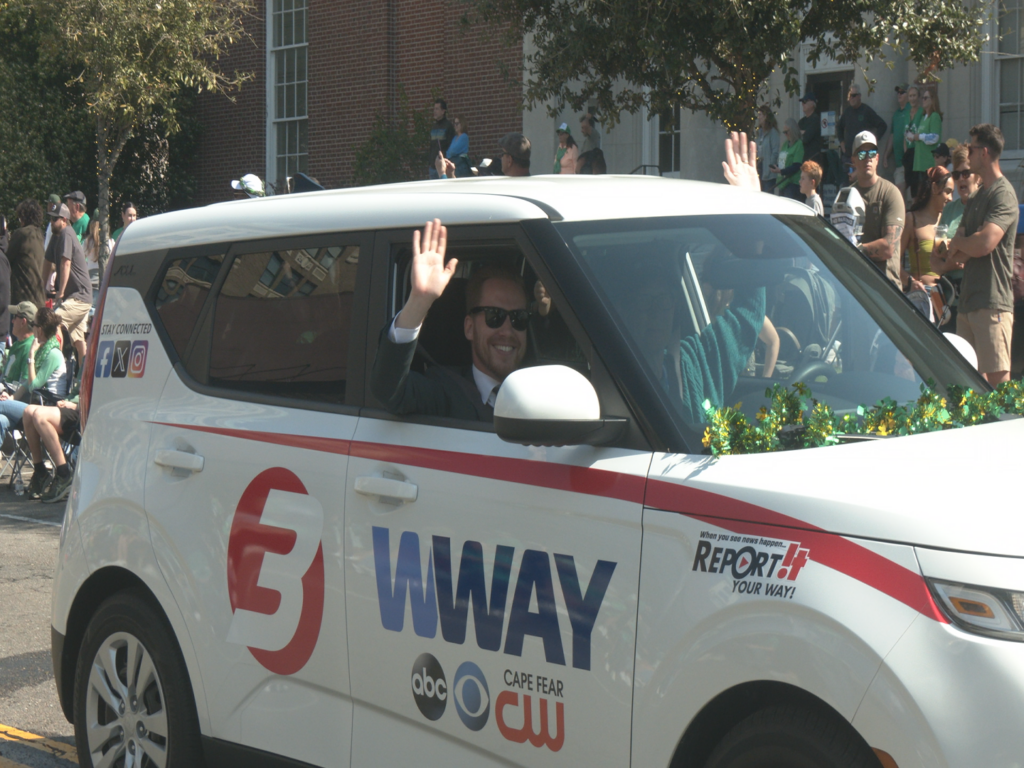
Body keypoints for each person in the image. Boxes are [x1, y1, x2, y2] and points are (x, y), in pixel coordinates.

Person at [371, 219, 528, 421]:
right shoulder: (445, 390)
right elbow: (389, 390)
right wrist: (419, 301)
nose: (507, 330)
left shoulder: (545, 389)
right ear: (469, 327)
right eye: (494, 316)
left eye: (518, 318)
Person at [941, 124, 1019, 385]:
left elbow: (985, 243)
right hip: (967, 303)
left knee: (999, 385)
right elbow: (958, 252)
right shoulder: (976, 198)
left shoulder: (1003, 194)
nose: (968, 153)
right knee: (968, 385)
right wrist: (964, 244)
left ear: (984, 153)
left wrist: (963, 242)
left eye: (972, 149)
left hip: (992, 303)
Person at [0, 306, 66, 443]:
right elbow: (26, 384)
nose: (32, 327)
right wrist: (11, 398)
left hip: (46, 409)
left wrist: (31, 356)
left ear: (39, 330)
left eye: (33, 324)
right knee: (1, 420)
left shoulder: (53, 354)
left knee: (1, 405)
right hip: (34, 405)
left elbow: (33, 386)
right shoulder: (43, 350)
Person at [850, 131, 906, 288]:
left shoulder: (890, 193)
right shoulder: (846, 195)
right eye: (862, 154)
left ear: (877, 158)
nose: (868, 158)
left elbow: (888, 247)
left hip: (885, 289)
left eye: (872, 153)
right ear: (853, 160)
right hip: (855, 286)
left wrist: (853, 250)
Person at [43, 202, 93, 363]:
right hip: (78, 296)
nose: (51, 222)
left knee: (54, 322)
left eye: (55, 219)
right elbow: (47, 262)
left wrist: (61, 293)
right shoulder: (56, 235)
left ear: (64, 220)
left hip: (79, 296)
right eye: (50, 219)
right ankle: (83, 375)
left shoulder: (66, 233)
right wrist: (41, 288)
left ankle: (55, 366)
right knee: (78, 341)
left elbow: (66, 263)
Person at [21, 385, 79, 502]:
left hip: (84, 413)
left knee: (40, 416)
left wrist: (75, 406)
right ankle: (40, 471)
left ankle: (63, 474)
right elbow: (75, 393)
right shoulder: (82, 373)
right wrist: (65, 401)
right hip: (70, 409)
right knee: (28, 411)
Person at [900, 165, 953, 291]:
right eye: (947, 192)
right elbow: (894, 261)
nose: (950, 198)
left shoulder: (950, 219)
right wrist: (910, 282)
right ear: (934, 188)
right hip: (923, 294)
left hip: (948, 294)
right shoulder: (912, 219)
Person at [5, 201, 45, 311]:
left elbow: (6, 260)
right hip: (39, 298)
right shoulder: (39, 235)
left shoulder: (21, 234)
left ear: (23, 217)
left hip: (22, 300)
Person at [837, 83, 887, 165]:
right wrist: (842, 143)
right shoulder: (847, 112)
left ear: (859, 96)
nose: (851, 98)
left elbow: (882, 125)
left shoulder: (866, 110)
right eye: (850, 96)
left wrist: (873, 141)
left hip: (863, 156)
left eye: (854, 95)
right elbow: (839, 127)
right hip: (848, 156)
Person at [908, 87, 942, 183]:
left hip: (928, 162)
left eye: (926, 98)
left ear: (932, 100)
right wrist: (913, 137)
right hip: (919, 162)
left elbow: (935, 137)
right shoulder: (924, 117)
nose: (923, 100)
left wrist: (919, 136)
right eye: (922, 98)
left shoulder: (934, 116)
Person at [883, 84, 911, 196]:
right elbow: (892, 135)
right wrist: (886, 155)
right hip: (899, 163)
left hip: (911, 162)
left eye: (902, 92)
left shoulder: (912, 111)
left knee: (911, 196)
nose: (899, 94)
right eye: (898, 92)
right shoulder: (896, 114)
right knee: (899, 193)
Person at [3, 302, 38, 391]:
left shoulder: (29, 347)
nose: (12, 321)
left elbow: (24, 386)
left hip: (11, 395)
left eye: (15, 317)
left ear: (23, 322)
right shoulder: (17, 344)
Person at [770, 118, 804, 201]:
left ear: (793, 131)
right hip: (782, 182)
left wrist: (781, 171)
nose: (785, 134)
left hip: (792, 183)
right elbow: (783, 162)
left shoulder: (799, 144)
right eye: (784, 132)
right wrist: (776, 167)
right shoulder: (785, 144)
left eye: (787, 132)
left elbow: (797, 166)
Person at [82, 212, 114, 293]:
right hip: (106, 281)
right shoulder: (110, 242)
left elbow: (80, 261)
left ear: (92, 225)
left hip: (90, 282)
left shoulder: (87, 242)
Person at [902, 85, 924, 198]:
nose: (912, 98)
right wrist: (906, 151)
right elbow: (905, 134)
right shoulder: (906, 114)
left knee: (918, 183)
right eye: (910, 96)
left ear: (919, 97)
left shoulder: (922, 112)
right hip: (909, 152)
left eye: (914, 95)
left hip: (918, 151)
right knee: (909, 182)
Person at [428, 99, 456, 179]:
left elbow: (451, 146)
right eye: (434, 109)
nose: (435, 111)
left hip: (443, 165)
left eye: (437, 109)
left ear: (443, 111)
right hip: (433, 166)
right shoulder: (434, 127)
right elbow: (431, 146)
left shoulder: (448, 126)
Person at [756, 105, 780, 192]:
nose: (758, 117)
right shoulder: (759, 132)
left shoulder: (773, 132)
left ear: (766, 116)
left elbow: (775, 151)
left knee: (767, 193)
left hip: (768, 170)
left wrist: (771, 167)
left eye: (760, 115)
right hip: (760, 167)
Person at [798, 92, 822, 163]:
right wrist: (803, 132)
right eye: (802, 102)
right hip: (802, 159)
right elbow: (795, 137)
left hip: (813, 160)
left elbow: (806, 138)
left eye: (805, 102)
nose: (803, 104)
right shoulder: (801, 122)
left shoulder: (816, 120)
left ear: (812, 104)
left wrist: (802, 133)